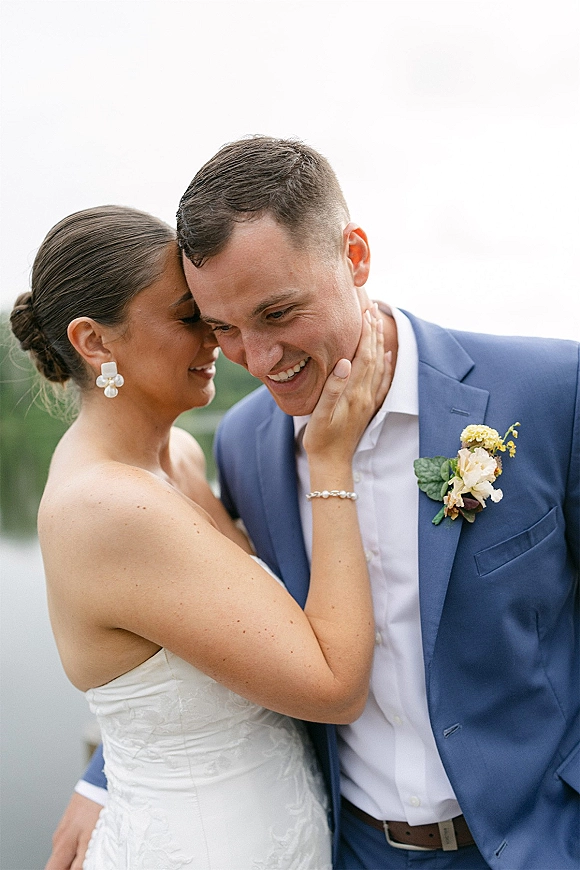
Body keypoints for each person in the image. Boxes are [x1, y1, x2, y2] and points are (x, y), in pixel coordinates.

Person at [48, 138, 579, 870]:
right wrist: (108, 773)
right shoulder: (243, 442)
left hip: (543, 842)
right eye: (221, 327)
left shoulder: (551, 394)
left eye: (277, 313)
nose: (258, 360)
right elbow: (204, 624)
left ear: (355, 256)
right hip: (348, 848)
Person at [11, 204, 392, 870]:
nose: (218, 339)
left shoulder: (180, 456)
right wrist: (332, 463)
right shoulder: (106, 508)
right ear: (95, 342)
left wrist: (99, 773)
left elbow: (197, 659)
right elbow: (333, 686)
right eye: (191, 318)